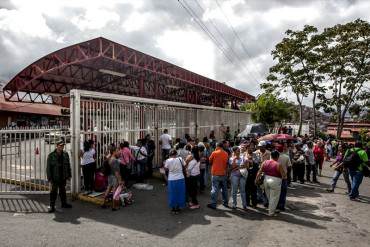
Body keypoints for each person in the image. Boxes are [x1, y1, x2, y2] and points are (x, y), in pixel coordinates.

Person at [256, 150, 286, 216]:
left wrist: (256, 179)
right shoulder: (278, 164)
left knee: (269, 197)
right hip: (275, 181)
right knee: (274, 197)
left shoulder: (265, 162)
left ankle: (272, 209)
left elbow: (259, 172)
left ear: (271, 156)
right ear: (277, 156)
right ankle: (271, 212)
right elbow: (284, 175)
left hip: (266, 180)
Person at [46, 140, 72, 213]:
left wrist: (69, 175)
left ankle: (64, 203)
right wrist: (49, 178)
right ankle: (52, 206)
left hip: (63, 176)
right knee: (53, 192)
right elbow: (48, 168)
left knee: (63, 191)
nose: (62, 147)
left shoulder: (65, 154)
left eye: (63, 146)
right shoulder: (51, 155)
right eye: (60, 146)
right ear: (57, 146)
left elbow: (68, 165)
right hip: (55, 177)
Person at [207, 142, 229, 209]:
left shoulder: (214, 152)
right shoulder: (226, 153)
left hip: (215, 173)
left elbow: (210, 161)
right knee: (224, 189)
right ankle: (225, 202)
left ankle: (213, 204)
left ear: (217, 146)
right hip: (223, 173)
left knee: (214, 189)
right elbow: (227, 163)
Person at [102, 146, 124, 211]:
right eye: (117, 151)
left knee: (108, 189)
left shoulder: (110, 158)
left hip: (110, 176)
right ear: (114, 152)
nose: (119, 152)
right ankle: (114, 206)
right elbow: (117, 172)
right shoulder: (115, 161)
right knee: (115, 191)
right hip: (114, 177)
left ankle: (103, 203)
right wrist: (120, 181)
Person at [164, 149, 186, 214]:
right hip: (180, 178)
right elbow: (185, 165)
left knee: (172, 193)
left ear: (170, 154)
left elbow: (165, 169)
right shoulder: (180, 159)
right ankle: (178, 208)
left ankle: (173, 209)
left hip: (171, 179)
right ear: (176, 154)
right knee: (180, 193)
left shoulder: (168, 160)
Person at [276, 145, 290, 211]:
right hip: (284, 177)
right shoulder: (286, 157)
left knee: (275, 192)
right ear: (283, 150)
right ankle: (281, 206)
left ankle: (275, 205)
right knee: (283, 193)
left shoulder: (274, 156)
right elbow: (289, 166)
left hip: (275, 176)